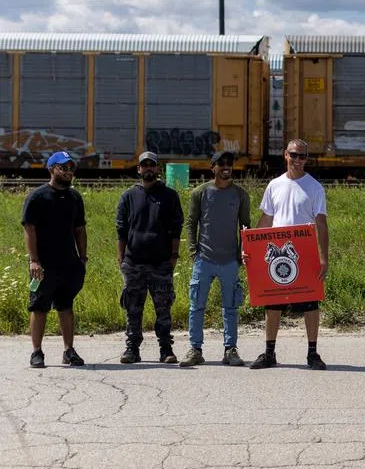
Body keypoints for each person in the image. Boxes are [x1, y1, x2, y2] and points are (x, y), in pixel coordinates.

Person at [249, 140, 330, 370]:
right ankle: (269, 352)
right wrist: (252, 248)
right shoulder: (274, 185)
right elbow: (266, 220)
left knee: (310, 304)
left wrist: (324, 257)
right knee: (272, 304)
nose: (297, 160)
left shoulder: (315, 188)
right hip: (277, 253)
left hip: (303, 253)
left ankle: (312, 353)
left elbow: (322, 224)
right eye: (293, 155)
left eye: (302, 156)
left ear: (307, 158)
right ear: (285, 155)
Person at [180, 150, 251, 368]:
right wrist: (194, 252)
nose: (226, 167)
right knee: (196, 306)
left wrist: (243, 253)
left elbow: (245, 226)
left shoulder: (240, 195)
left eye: (229, 163)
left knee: (230, 307)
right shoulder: (200, 193)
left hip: (230, 261)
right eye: (221, 164)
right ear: (213, 167)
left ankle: (230, 350)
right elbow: (191, 223)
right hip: (205, 260)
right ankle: (196, 349)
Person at [116, 151, 184, 365]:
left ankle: (166, 349)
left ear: (157, 169)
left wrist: (173, 257)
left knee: (163, 309)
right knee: (133, 309)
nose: (148, 169)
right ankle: (132, 348)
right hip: (133, 262)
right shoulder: (128, 196)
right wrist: (122, 260)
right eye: (144, 166)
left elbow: (176, 229)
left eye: (151, 166)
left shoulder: (170, 196)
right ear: (139, 169)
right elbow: (121, 230)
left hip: (160, 263)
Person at [23, 151, 87, 368]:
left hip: (69, 263)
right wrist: (34, 260)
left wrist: (82, 258)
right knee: (39, 307)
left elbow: (80, 229)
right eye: (63, 167)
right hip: (43, 264)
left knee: (66, 306)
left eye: (71, 168)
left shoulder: (74, 197)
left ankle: (69, 351)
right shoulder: (37, 196)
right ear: (52, 169)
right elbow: (29, 230)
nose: (68, 172)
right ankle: (36, 352)